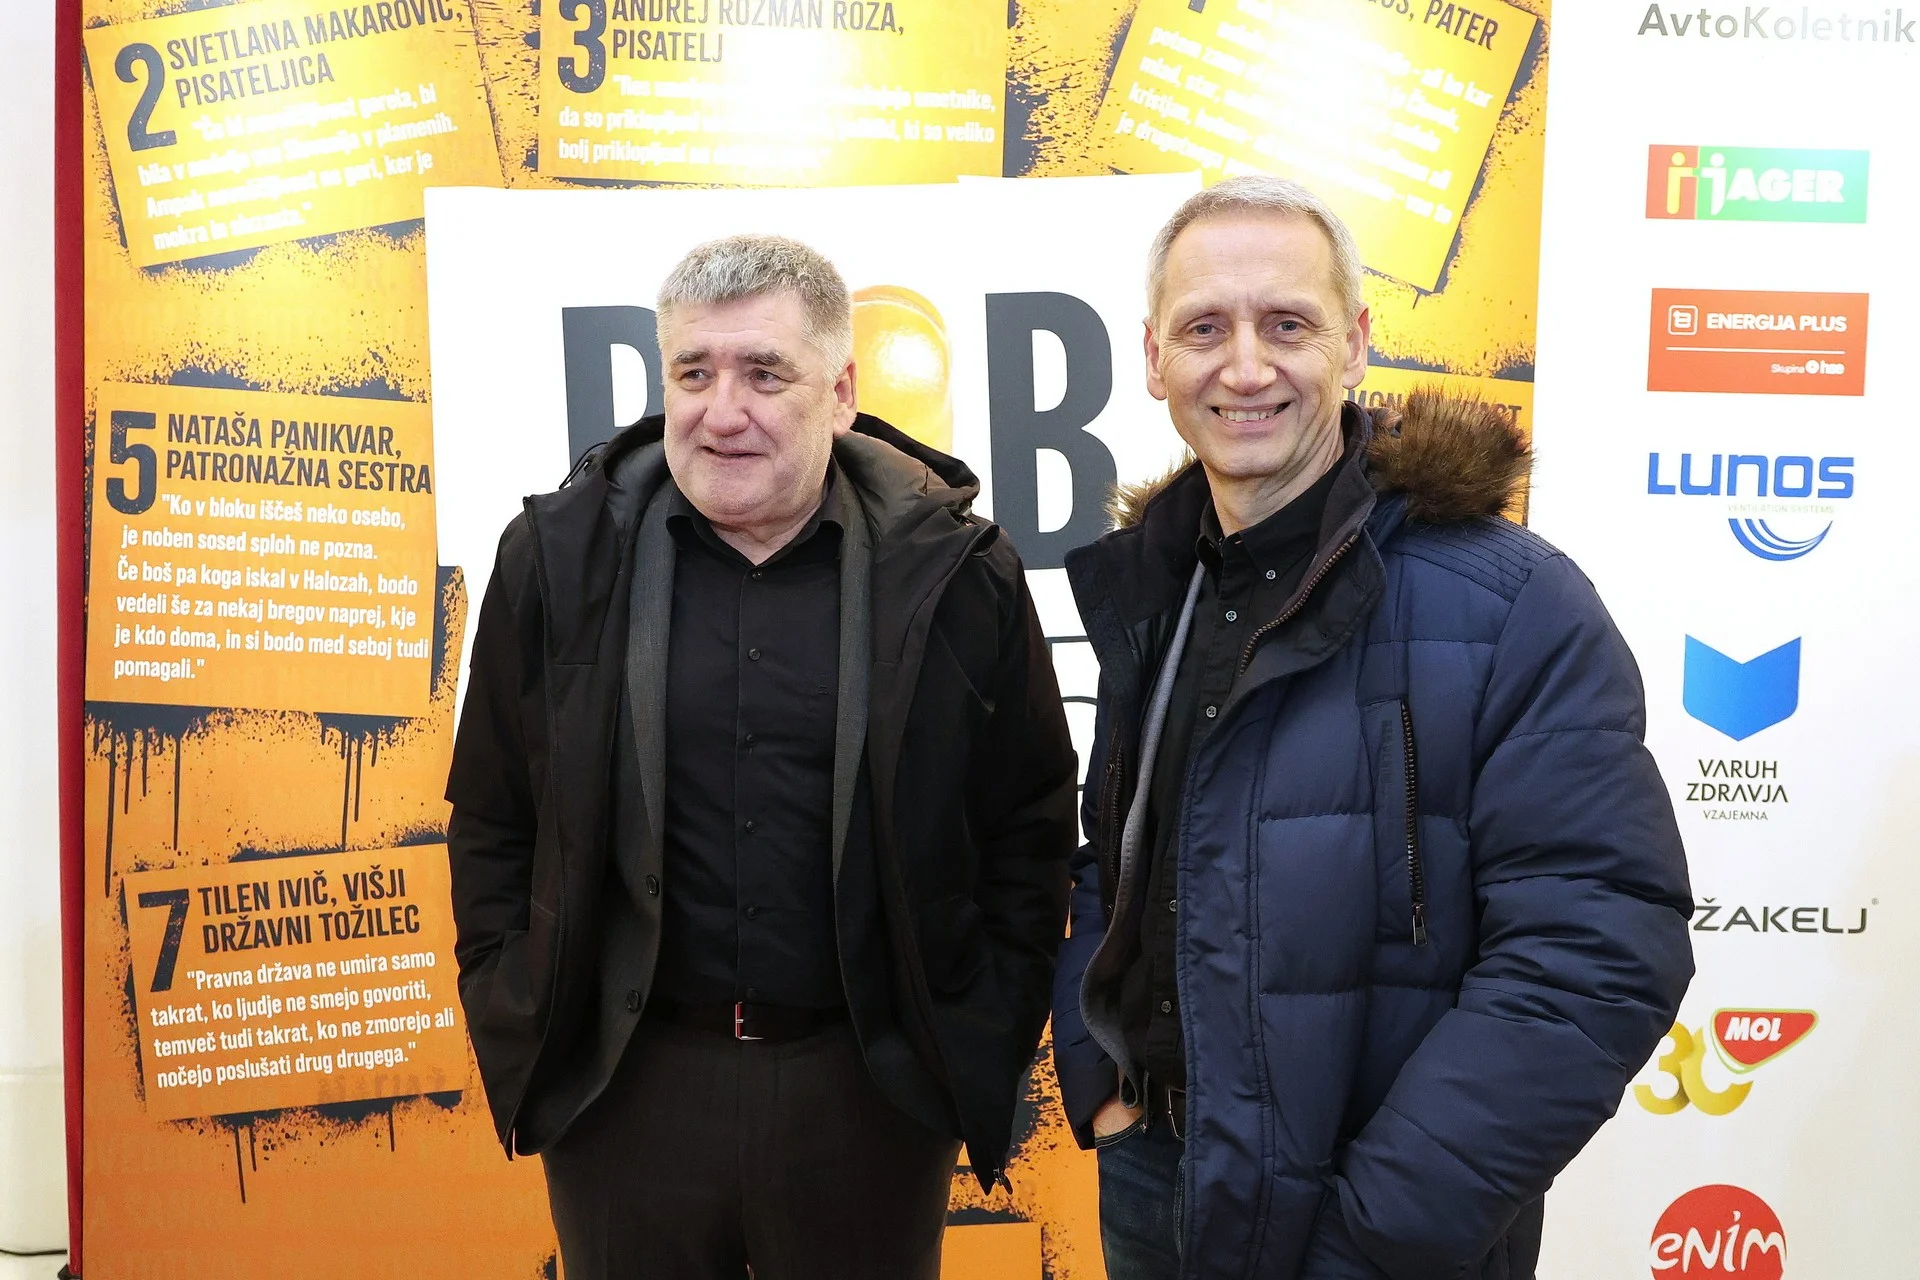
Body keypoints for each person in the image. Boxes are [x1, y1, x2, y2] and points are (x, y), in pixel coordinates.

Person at [1051, 176, 1694, 1279]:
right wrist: (1100, 1077)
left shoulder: (1514, 603)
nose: (1244, 367)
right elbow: (1115, 861)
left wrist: (1376, 1236)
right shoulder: (1157, 586)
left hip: (1376, 1232)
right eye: (1204, 328)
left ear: (1353, 344)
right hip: (1154, 1182)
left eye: (1286, 325)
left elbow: (1594, 951)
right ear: (1154, 358)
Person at [446, 234, 1077, 1280]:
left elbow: (1029, 821)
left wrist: (982, 1022)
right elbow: (494, 812)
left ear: (842, 393)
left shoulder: (961, 571)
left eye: (764, 374)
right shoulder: (558, 559)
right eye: (693, 372)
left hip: (870, 1100)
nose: (722, 411)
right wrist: (511, 997)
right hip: (624, 1096)